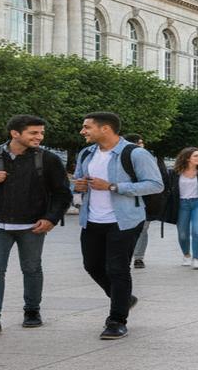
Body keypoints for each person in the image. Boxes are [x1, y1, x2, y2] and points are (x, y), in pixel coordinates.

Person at [0, 115, 73, 334]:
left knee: (31, 268)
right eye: (33, 133)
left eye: (41, 133)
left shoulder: (47, 159)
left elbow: (62, 193)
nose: (39, 137)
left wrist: (51, 218)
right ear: (15, 133)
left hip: (32, 225)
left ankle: (32, 311)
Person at [73, 112, 164, 340]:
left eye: (87, 127)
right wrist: (79, 187)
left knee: (117, 269)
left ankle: (117, 320)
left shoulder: (135, 153)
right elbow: (77, 183)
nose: (83, 131)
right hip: (91, 219)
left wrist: (114, 187)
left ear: (105, 129)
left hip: (124, 220)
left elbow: (155, 184)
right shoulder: (86, 153)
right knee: (92, 265)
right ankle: (123, 298)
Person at [161, 147, 198, 269]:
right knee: (183, 234)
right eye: (196, 156)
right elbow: (166, 188)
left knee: (197, 232)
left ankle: (196, 259)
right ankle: (187, 255)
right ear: (187, 158)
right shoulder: (173, 173)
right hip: (181, 204)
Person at [123, 134, 169, 270]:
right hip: (126, 199)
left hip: (147, 200)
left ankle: (138, 257)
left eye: (142, 143)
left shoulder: (149, 159)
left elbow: (160, 181)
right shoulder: (119, 160)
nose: (142, 145)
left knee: (142, 229)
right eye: (139, 143)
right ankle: (125, 255)